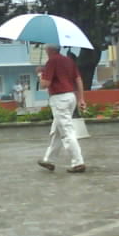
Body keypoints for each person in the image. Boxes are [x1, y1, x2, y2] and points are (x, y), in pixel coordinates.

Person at [37, 44, 86, 173]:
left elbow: (45, 84)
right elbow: (79, 80)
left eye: (46, 48)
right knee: (58, 130)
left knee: (66, 131)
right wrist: (81, 98)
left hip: (59, 99)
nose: (45, 50)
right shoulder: (69, 61)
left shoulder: (52, 61)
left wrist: (40, 75)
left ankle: (78, 162)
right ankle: (49, 160)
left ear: (50, 49)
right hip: (71, 97)